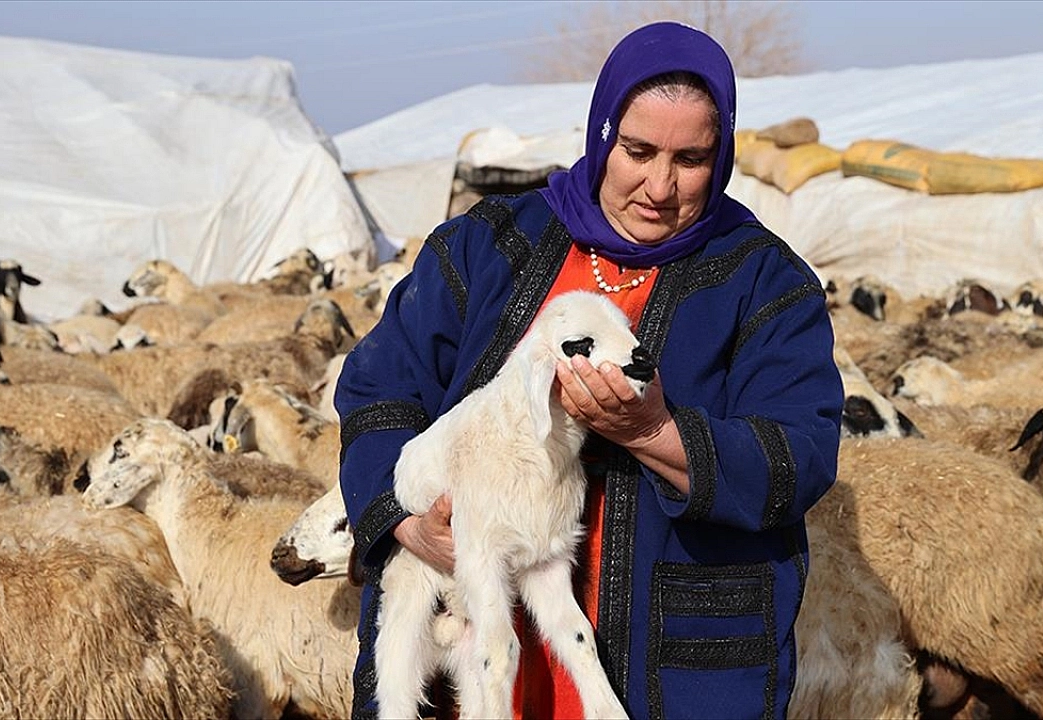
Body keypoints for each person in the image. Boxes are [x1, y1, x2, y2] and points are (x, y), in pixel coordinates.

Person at [336, 21, 843, 720]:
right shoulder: (490, 244)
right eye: (638, 151)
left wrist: (654, 432)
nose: (659, 185)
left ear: (721, 155)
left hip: (672, 661)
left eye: (691, 159)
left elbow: (797, 456)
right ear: (602, 134)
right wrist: (406, 523)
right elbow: (379, 391)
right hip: (473, 635)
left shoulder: (765, 283)